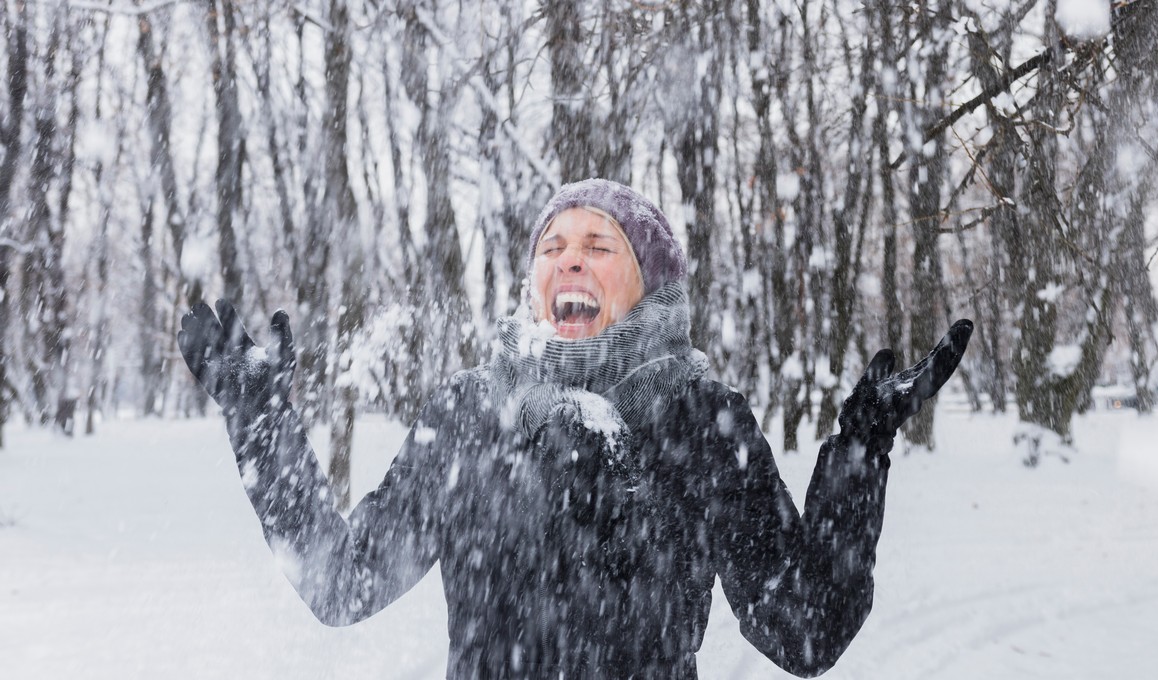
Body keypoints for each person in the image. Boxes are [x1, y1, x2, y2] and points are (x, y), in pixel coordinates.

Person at [177, 179, 973, 679]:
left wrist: (862, 449)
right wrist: (259, 419)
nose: (569, 262)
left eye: (599, 247)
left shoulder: (698, 416)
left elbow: (804, 633)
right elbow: (340, 582)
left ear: (648, 281)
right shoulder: (471, 414)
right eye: (552, 248)